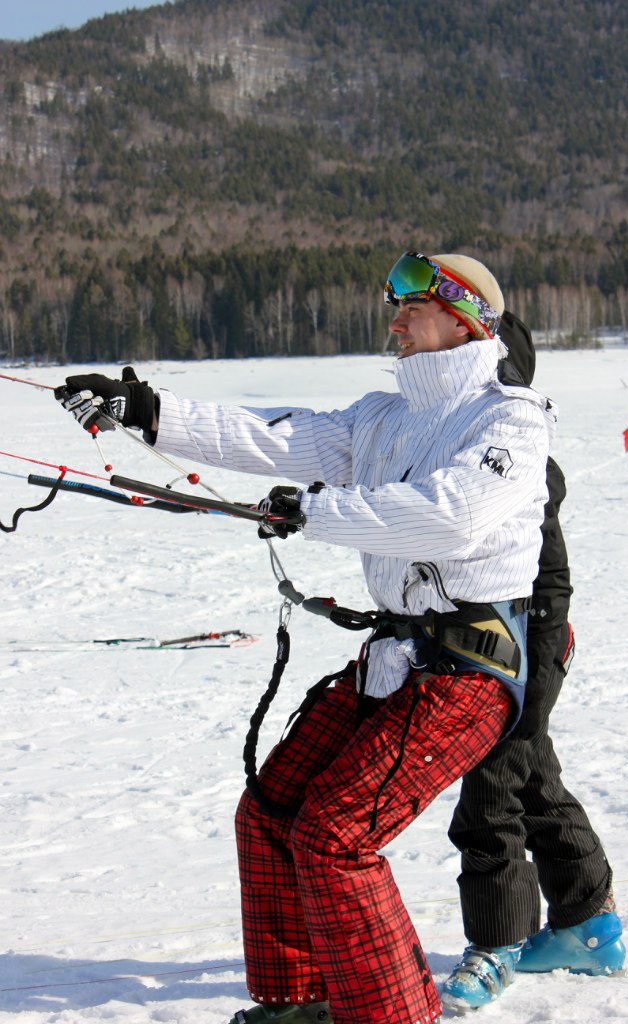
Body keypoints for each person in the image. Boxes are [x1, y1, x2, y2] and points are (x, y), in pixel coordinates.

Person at [57, 252, 555, 1024]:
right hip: (394, 663)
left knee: (335, 837)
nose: (393, 323)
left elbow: (451, 513)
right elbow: (268, 435)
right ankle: (302, 1004)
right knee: (271, 814)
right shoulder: (381, 418)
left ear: (461, 319)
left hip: (468, 671)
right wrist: (149, 411)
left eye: (410, 310)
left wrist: (316, 512)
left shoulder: (510, 419)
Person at [441, 312, 625, 1013]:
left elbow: (545, 579)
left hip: (525, 643)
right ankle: (588, 921)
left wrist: (536, 664)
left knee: (491, 787)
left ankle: (497, 944)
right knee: (531, 775)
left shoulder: (516, 454)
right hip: (480, 640)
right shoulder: (454, 442)